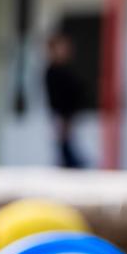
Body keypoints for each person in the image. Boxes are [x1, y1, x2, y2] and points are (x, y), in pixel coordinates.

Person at [43, 32, 87, 169]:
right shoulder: (53, 71)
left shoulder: (66, 69)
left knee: (68, 146)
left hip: (69, 114)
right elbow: (56, 97)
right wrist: (61, 117)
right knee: (64, 147)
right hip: (62, 114)